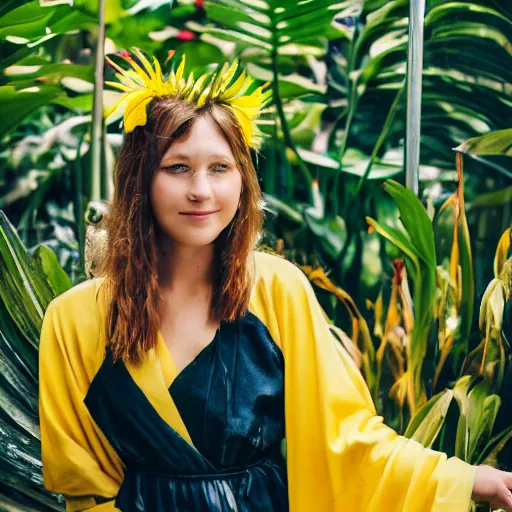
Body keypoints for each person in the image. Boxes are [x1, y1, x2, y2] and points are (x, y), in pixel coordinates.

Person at [38, 48, 512, 512]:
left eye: (220, 168)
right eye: (177, 167)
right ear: (140, 178)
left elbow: (345, 442)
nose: (201, 190)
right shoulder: (74, 320)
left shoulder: (278, 290)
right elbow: (86, 489)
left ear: (242, 181)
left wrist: (470, 479)